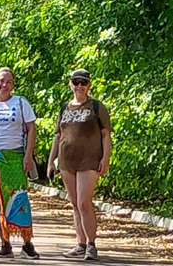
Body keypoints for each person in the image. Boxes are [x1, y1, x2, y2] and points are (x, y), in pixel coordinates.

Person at [0, 67, 40, 260]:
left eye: (9, 82)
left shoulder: (20, 103)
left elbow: (31, 129)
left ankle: (27, 243)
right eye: (1, 80)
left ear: (13, 84)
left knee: (19, 198)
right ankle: (5, 243)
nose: (4, 85)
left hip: (15, 158)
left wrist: (28, 155)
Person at [46, 69, 112, 261]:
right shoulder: (64, 107)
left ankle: (91, 244)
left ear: (89, 85)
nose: (79, 86)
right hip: (67, 161)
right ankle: (80, 243)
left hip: (89, 161)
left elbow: (106, 134)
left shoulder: (96, 107)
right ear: (70, 84)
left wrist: (105, 159)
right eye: (76, 82)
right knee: (75, 204)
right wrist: (51, 161)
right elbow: (58, 136)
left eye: (83, 82)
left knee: (84, 202)